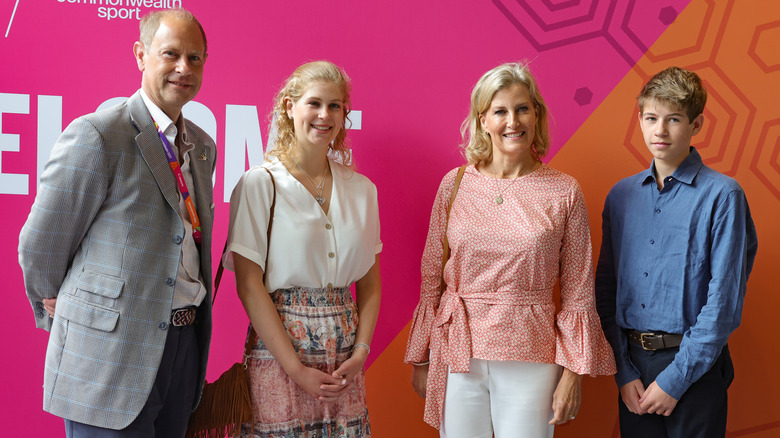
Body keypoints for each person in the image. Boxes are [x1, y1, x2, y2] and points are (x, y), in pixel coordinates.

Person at [18, 8, 215, 437]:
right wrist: (65, 306)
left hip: (183, 346)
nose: (184, 68)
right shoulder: (98, 135)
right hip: (110, 352)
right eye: (171, 54)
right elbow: (40, 242)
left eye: (195, 58)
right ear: (141, 55)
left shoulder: (202, 145)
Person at [404, 62, 616, 437]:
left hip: (530, 356)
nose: (512, 121)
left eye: (522, 108)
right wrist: (421, 356)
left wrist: (572, 375)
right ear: (483, 120)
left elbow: (579, 293)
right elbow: (431, 276)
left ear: (537, 115)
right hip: (458, 352)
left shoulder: (564, 191)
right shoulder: (454, 184)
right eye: (500, 111)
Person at [595, 66, 757, 438]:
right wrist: (623, 371)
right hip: (633, 369)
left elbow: (724, 302)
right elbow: (606, 290)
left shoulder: (723, 196)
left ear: (696, 123)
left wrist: (676, 380)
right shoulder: (620, 197)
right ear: (639, 119)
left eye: (674, 119)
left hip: (695, 366)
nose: (660, 131)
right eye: (651, 118)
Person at [223, 61, 381, 437]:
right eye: (314, 103)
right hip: (280, 355)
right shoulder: (260, 184)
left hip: (345, 360)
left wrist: (360, 352)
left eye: (335, 106)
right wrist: (295, 369)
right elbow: (248, 284)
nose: (325, 115)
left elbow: (370, 283)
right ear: (289, 107)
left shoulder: (363, 190)